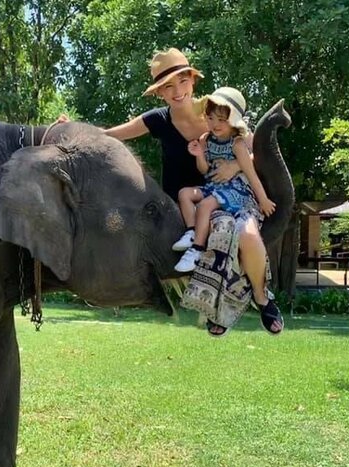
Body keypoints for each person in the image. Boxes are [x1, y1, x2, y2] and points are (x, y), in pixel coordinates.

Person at [100, 48, 284, 336]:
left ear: (193, 81)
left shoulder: (218, 111)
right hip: (182, 204)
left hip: (226, 196)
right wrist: (68, 128)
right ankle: (216, 309)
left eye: (182, 81)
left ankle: (262, 299)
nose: (177, 91)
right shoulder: (157, 120)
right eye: (167, 87)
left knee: (241, 233)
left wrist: (235, 165)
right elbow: (110, 134)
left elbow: (255, 152)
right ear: (160, 93)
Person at [173, 86, 276, 273]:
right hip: (213, 186)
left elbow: (251, 174)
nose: (215, 124)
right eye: (210, 118)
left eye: (222, 119)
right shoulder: (206, 139)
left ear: (233, 120)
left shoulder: (237, 144)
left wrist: (263, 199)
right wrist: (199, 155)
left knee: (204, 205)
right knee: (184, 194)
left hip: (234, 190)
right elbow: (204, 170)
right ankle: (191, 231)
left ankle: (196, 249)